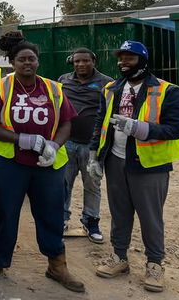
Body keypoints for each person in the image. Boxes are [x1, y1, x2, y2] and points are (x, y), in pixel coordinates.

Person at [0, 35, 84, 293]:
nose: (27, 63)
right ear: (12, 62)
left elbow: (67, 122)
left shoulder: (53, 89)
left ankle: (57, 264)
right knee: (5, 212)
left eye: (31, 58)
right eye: (21, 59)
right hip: (9, 163)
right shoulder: (1, 88)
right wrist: (20, 139)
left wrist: (55, 146)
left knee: (51, 214)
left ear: (37, 61)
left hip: (46, 166)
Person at [90, 41, 179, 293]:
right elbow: (101, 121)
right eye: (120, 58)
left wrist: (141, 129)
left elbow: (176, 128)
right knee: (119, 213)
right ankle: (119, 258)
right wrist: (94, 155)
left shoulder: (168, 91)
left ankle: (155, 264)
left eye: (129, 58)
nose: (123, 62)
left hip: (149, 165)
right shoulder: (111, 88)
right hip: (115, 161)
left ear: (142, 60)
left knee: (150, 218)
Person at [58, 47, 112, 243]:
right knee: (64, 184)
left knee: (92, 185)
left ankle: (91, 222)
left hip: (92, 146)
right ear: (72, 62)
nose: (81, 64)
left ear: (93, 61)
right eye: (77, 61)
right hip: (67, 143)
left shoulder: (106, 83)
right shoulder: (63, 80)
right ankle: (62, 219)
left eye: (85, 61)